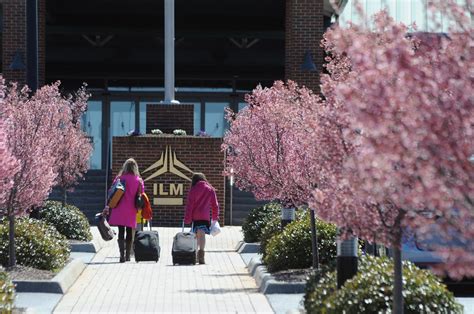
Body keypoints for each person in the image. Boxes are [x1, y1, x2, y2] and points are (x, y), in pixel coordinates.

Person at [103, 158, 144, 263]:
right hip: (131, 209)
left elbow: (111, 191)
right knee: (130, 231)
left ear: (125, 167)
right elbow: (141, 192)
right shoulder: (138, 180)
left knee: (121, 231)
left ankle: (121, 255)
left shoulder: (119, 178)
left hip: (119, 208)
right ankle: (128, 256)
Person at [184, 173, 219, 264]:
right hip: (205, 215)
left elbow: (189, 206)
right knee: (202, 234)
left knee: (195, 235)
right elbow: (215, 205)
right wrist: (215, 217)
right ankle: (201, 256)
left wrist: (187, 218)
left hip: (195, 216)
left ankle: (195, 255)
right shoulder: (210, 189)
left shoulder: (193, 189)